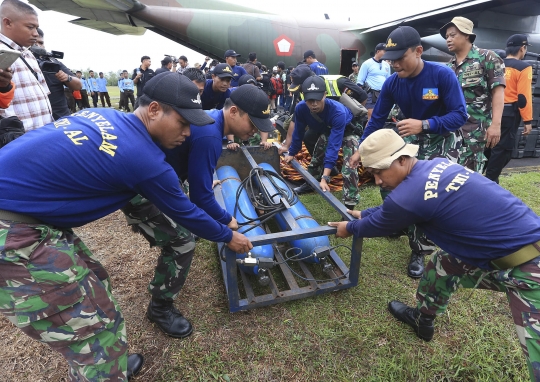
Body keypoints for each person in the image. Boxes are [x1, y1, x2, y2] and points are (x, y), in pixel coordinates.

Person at [0, 73, 252, 381]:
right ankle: (102, 364)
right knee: (89, 333)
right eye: (183, 123)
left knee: (95, 283)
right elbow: (185, 210)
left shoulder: (107, 115)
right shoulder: (143, 157)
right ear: (155, 109)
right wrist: (228, 235)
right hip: (13, 232)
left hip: (32, 217)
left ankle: (110, 359)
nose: (187, 133)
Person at [329, 128, 540, 382]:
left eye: (379, 172)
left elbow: (383, 221)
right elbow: (396, 210)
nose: (377, 181)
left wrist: (349, 228)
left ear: (402, 160)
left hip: (530, 270)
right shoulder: (436, 166)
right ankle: (423, 319)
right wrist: (366, 212)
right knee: (443, 264)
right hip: (505, 252)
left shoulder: (407, 197)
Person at [123, 86, 273, 338]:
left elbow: (196, 183)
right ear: (234, 112)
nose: (257, 130)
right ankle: (160, 308)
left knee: (194, 226)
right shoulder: (210, 136)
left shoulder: (212, 123)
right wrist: (227, 221)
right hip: (141, 190)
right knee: (183, 241)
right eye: (253, 122)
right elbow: (201, 198)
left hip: (159, 179)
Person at [349, 26, 468, 278]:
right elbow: (377, 118)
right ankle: (397, 222)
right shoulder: (393, 83)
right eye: (391, 60)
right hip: (410, 139)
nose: (394, 65)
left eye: (400, 58)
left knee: (426, 193)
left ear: (418, 51)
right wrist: (362, 148)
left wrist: (425, 124)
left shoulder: (442, 75)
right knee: (388, 179)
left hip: (441, 139)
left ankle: (420, 249)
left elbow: (460, 115)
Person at [284, 75, 361, 210]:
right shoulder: (301, 108)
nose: (314, 104)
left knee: (350, 166)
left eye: (317, 99)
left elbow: (334, 145)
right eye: (310, 100)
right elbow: (298, 132)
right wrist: (292, 152)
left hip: (348, 132)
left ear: (325, 95)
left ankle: (350, 204)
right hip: (328, 130)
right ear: (303, 96)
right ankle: (311, 183)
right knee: (317, 157)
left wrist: (325, 177)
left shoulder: (338, 112)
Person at [441, 16, 505, 173]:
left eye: (452, 35)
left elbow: (498, 91)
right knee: (450, 175)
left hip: (475, 131)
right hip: (450, 131)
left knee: (471, 176)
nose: (448, 39)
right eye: (447, 36)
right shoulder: (448, 67)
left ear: (466, 35)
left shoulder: (487, 58)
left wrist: (496, 125)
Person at [484, 34, 533, 183]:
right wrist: (527, 120)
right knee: (503, 150)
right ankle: (491, 181)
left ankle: (480, 176)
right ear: (522, 48)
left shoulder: (497, 63)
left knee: (487, 146)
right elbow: (523, 97)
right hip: (509, 114)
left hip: (490, 111)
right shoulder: (524, 67)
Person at [0, 0, 53, 131]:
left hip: (42, 133)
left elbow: (44, 94)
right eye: (30, 27)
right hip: (19, 141)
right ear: (8, 23)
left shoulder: (28, 53)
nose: (36, 33)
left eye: (36, 27)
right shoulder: (2, 53)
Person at [33, 29, 82, 120]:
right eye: (34, 43)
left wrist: (67, 78)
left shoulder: (53, 62)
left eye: (40, 43)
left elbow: (78, 85)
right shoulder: (19, 61)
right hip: (35, 120)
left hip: (60, 117)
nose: (37, 46)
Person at [357, 43, 391, 119]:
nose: (386, 53)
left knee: (381, 117)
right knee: (371, 117)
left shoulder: (386, 65)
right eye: (384, 51)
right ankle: (369, 131)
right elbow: (360, 81)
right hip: (370, 94)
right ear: (378, 51)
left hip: (382, 94)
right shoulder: (367, 63)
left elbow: (388, 80)